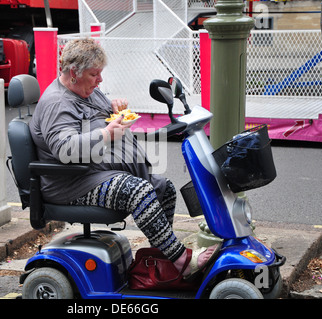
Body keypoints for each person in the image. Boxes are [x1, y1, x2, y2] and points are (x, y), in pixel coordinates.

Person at [29, 38, 219, 279]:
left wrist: (114, 107)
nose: (100, 80)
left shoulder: (85, 90)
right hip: (72, 183)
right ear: (74, 73)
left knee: (164, 188)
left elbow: (97, 112)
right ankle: (181, 259)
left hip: (94, 171)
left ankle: (159, 259)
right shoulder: (57, 103)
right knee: (139, 191)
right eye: (94, 74)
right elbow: (64, 148)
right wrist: (106, 134)